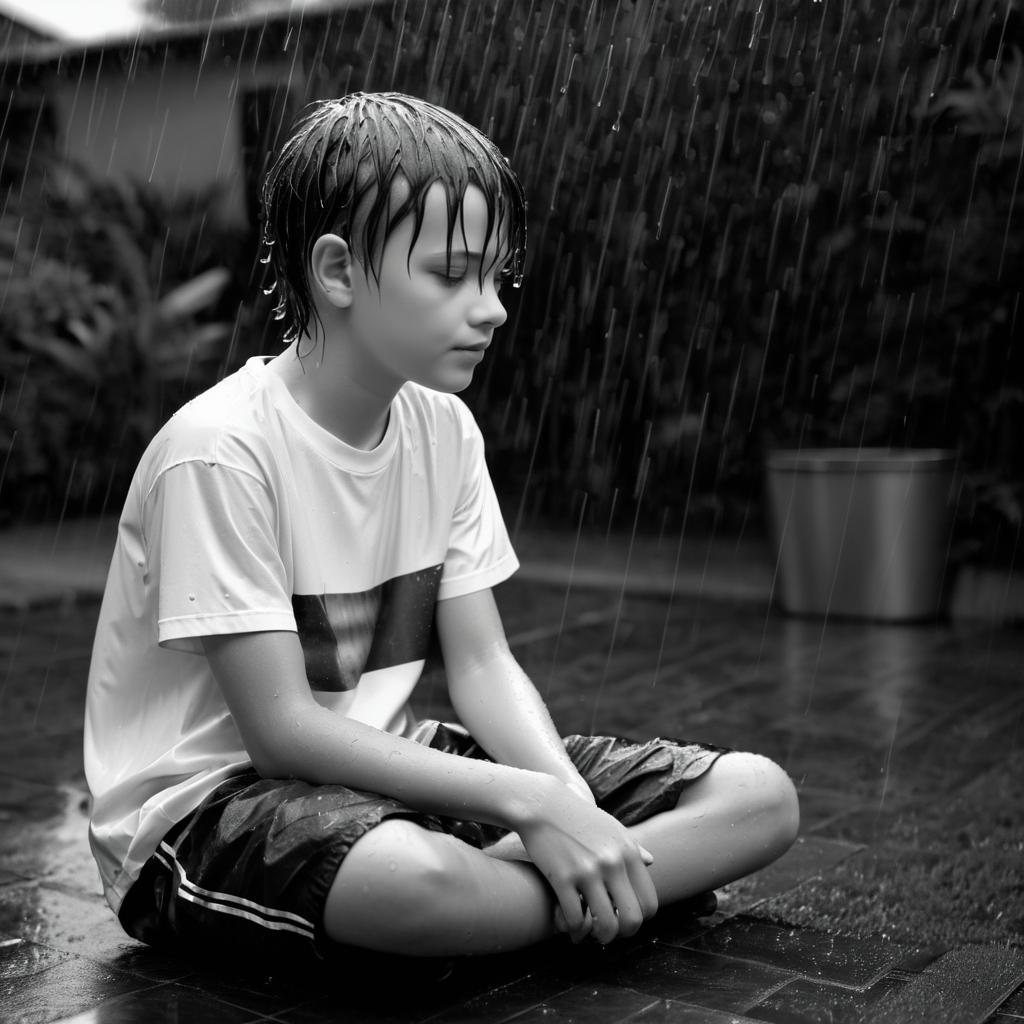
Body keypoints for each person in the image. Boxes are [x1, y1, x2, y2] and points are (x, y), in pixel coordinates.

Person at [84, 92, 799, 962]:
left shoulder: (443, 430)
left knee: (759, 796)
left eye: (499, 276)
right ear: (338, 272)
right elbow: (284, 734)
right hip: (207, 809)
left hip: (385, 759)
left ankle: (524, 898)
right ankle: (573, 896)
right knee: (409, 882)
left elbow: (483, 661)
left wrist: (563, 798)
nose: (492, 306)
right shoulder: (222, 451)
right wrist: (531, 810)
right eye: (454, 273)